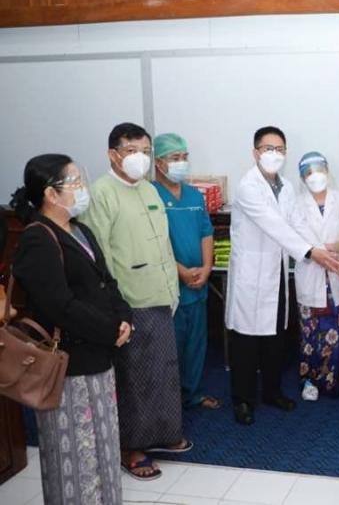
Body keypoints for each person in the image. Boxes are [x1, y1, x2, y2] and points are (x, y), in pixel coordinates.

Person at [11, 154, 131, 504]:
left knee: (103, 446)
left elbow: (107, 282)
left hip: (100, 357)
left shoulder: (81, 230)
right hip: (68, 364)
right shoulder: (38, 238)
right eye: (75, 182)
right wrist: (109, 330)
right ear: (51, 194)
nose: (82, 188)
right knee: (76, 457)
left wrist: (124, 318)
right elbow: (59, 305)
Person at [80, 123, 191, 481]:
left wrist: (173, 285)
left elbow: (162, 241)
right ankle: (132, 447)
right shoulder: (102, 194)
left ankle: (164, 433)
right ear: (113, 154)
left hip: (161, 293)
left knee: (164, 369)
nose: (140, 158)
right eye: (132, 151)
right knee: (134, 377)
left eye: (145, 151)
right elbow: (98, 256)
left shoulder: (148, 189)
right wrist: (114, 309)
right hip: (130, 299)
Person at [226, 127, 339, 424]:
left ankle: (272, 392)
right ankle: (243, 400)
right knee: (246, 341)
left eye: (279, 149)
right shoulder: (248, 187)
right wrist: (311, 253)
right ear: (255, 153)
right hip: (251, 275)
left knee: (275, 336)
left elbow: (296, 224)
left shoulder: (286, 187)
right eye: (268, 148)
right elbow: (274, 225)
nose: (274, 154)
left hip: (275, 272)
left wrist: (317, 248)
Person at [152, 133, 221, 410]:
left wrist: (206, 267)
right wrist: (179, 270)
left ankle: (193, 393)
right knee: (172, 346)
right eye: (174, 158)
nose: (181, 162)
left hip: (198, 283)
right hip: (171, 284)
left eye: (184, 157)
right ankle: (170, 401)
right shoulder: (150, 195)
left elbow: (206, 231)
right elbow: (154, 241)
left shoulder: (193, 195)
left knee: (196, 343)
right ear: (158, 162)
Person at [293, 151, 339, 401]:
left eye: (318, 170)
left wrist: (332, 246)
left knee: (338, 330)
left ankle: (335, 377)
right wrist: (320, 249)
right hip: (311, 274)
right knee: (310, 332)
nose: (314, 176)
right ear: (302, 178)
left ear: (327, 171)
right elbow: (295, 238)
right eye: (308, 173)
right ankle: (309, 381)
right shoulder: (295, 204)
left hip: (338, 275)